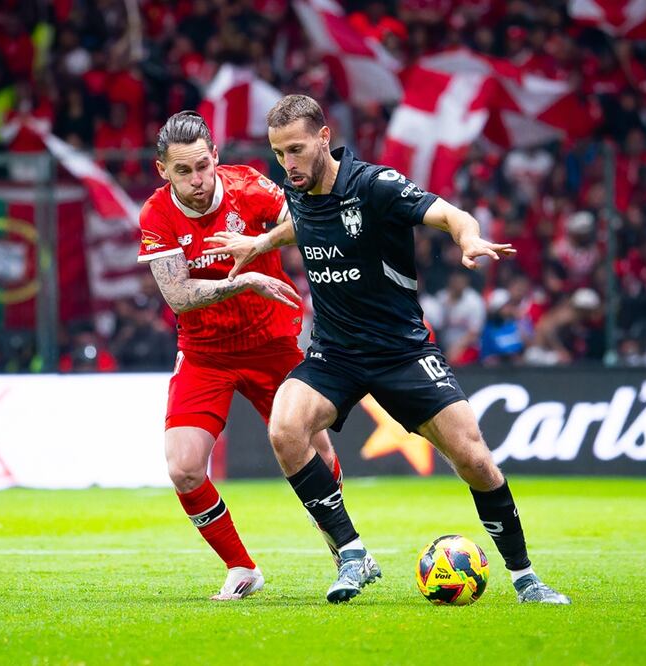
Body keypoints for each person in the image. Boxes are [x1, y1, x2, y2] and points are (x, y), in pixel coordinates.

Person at [206, 95, 569, 605]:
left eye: (296, 149)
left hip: (402, 352)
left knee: (475, 460)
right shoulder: (299, 189)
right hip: (336, 353)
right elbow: (302, 222)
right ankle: (351, 552)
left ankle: (525, 577)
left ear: (324, 138)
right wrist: (260, 244)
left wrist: (468, 240)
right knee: (285, 428)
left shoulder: (375, 185)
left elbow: (452, 214)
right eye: (279, 152)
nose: (287, 164)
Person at [138, 111, 343, 601]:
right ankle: (241, 567)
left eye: (203, 166)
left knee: (317, 454)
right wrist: (245, 278)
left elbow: (303, 217)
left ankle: (345, 550)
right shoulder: (156, 215)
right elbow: (178, 297)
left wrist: (264, 242)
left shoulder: (248, 186)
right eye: (183, 171)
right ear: (163, 170)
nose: (197, 180)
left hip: (271, 344)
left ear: (215, 157)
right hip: (205, 354)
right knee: (184, 467)